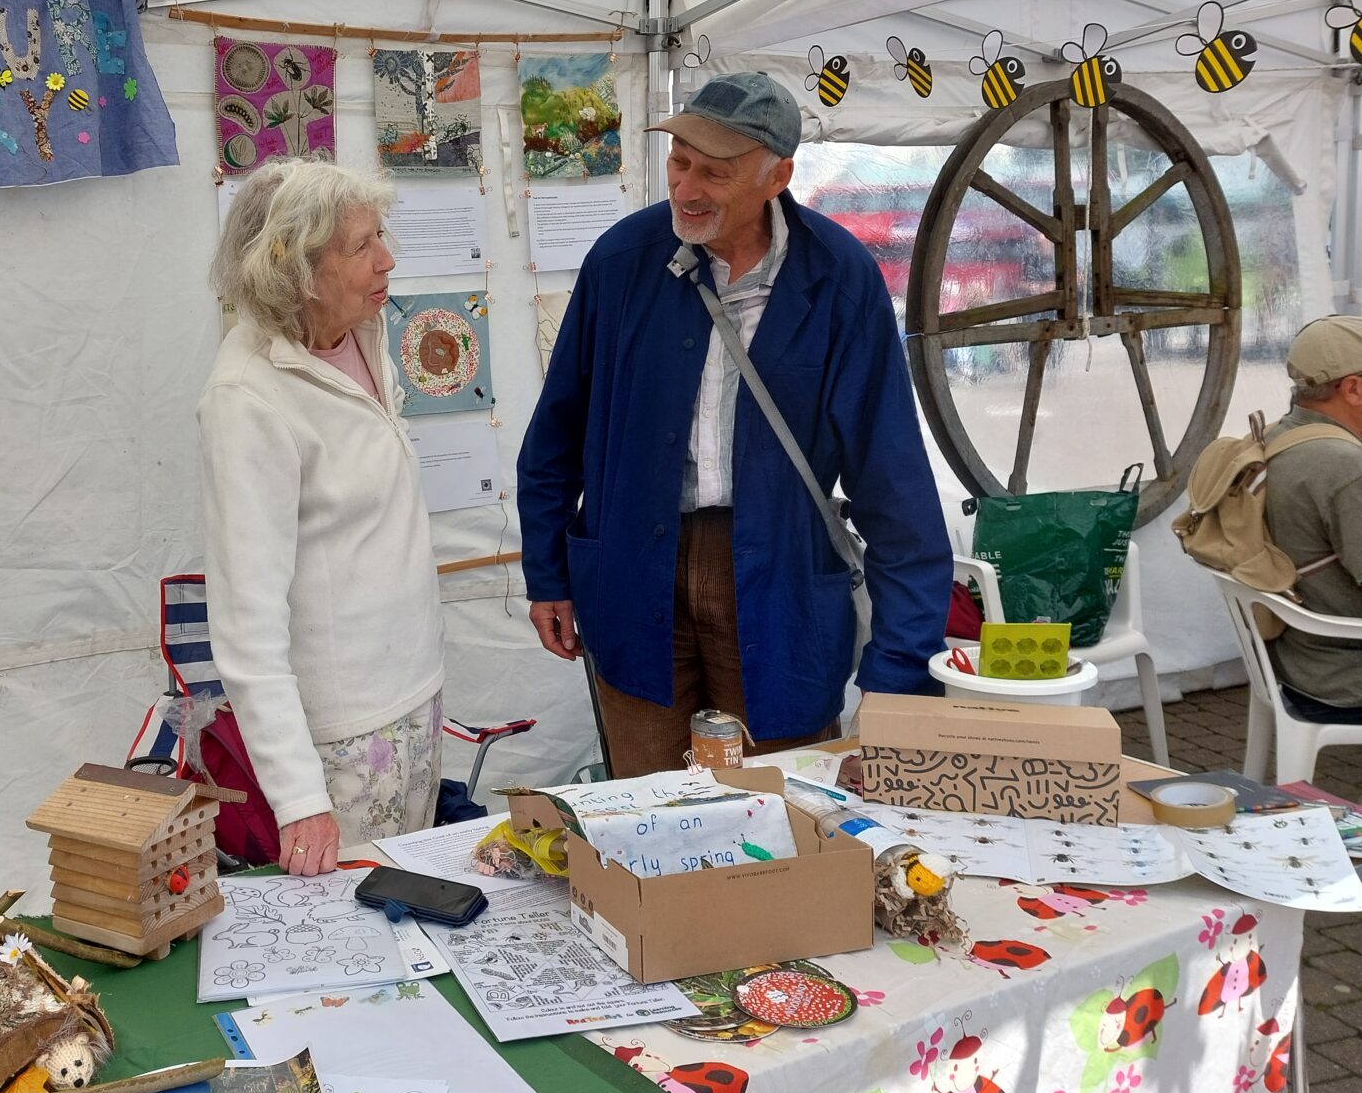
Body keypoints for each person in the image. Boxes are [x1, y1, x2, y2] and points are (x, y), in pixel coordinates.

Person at [518, 72, 950, 775]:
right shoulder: (621, 262)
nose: (685, 188)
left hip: (779, 575)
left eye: (714, 173)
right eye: (679, 162)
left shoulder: (839, 279)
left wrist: (900, 665)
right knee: (647, 801)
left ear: (777, 177)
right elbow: (555, 433)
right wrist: (547, 572)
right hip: (634, 568)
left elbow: (892, 478)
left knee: (784, 794)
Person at [200, 158, 445, 875]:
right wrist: (299, 796)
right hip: (343, 737)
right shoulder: (247, 398)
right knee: (356, 925)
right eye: (362, 246)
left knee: (411, 901)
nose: (387, 259)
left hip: (414, 695)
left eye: (381, 235)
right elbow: (245, 623)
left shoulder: (360, 333)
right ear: (297, 270)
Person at [1262, 315, 1362, 721]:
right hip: (1357, 680)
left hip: (1301, 662)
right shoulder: (1348, 468)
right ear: (1352, 388)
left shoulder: (1280, 435)